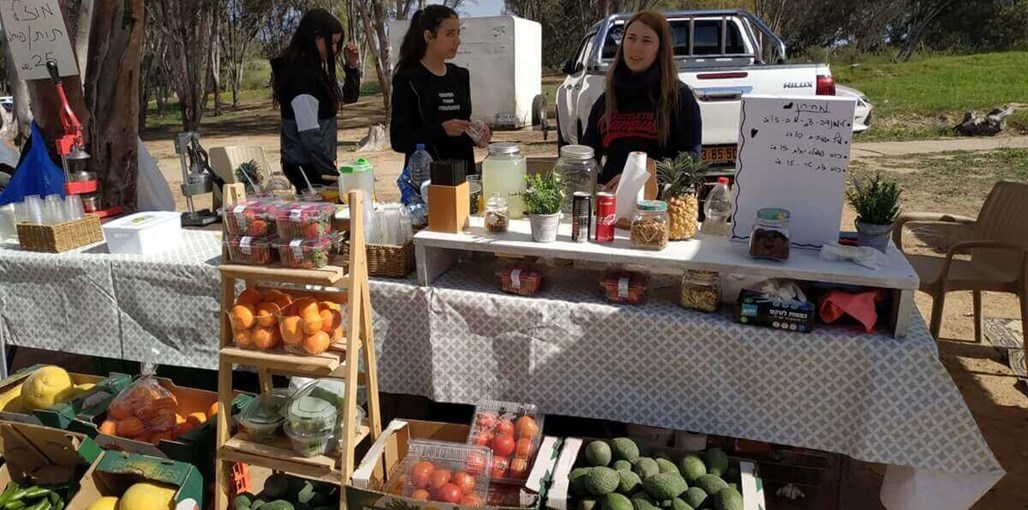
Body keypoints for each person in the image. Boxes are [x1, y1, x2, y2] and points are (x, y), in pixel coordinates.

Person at [582, 10, 702, 188]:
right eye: (630, 38)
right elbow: (586, 156)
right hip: (610, 208)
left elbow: (690, 160)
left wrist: (639, 180)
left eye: (646, 41)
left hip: (659, 206)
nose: (636, 47)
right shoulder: (607, 99)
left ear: (660, 49)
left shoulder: (679, 98)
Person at [390, 5, 490, 174]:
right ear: (429, 37)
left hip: (464, 176)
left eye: (458, 33)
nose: (457, 41)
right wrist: (441, 130)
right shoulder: (407, 79)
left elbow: (462, 126)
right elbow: (399, 140)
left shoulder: (460, 76)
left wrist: (476, 134)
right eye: (450, 34)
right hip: (427, 181)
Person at [271, 8, 361, 193]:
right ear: (316, 37)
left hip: (313, 166)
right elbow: (309, 135)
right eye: (332, 43)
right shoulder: (302, 76)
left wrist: (351, 66)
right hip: (307, 168)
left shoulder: (314, 70)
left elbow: (349, 98)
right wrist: (332, 176)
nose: (335, 49)